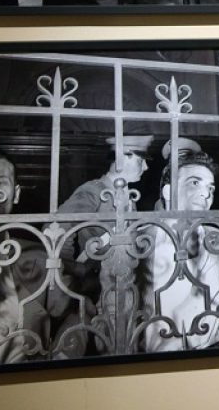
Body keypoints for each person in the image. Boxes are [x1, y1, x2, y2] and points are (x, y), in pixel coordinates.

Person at [48, 135, 153, 357]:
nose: (146, 166)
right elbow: (57, 226)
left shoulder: (128, 196)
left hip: (124, 284)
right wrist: (68, 270)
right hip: (98, 287)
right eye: (141, 158)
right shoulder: (94, 190)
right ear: (121, 158)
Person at [142, 145, 219, 352]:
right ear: (167, 191)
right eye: (195, 183)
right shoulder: (141, 239)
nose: (206, 194)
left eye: (211, 188)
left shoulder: (214, 239)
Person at [0, 150, 50, 365]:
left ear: (16, 193)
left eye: (0, 183)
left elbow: (77, 312)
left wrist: (65, 355)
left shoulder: (36, 257)